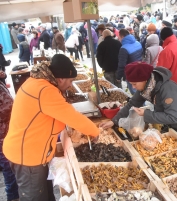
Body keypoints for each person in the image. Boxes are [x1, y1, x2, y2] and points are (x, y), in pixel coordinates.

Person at [3, 54, 101, 201]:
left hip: (33, 153)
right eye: (70, 80)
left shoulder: (39, 81)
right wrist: (95, 132)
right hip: (28, 158)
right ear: (60, 78)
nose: (70, 85)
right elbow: (71, 116)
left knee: (46, 195)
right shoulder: (45, 90)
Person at [100, 62, 177, 147]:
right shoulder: (146, 88)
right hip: (175, 123)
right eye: (132, 84)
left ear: (145, 80)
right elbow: (132, 104)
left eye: (134, 84)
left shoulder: (167, 89)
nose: (133, 87)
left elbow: (172, 117)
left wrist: (146, 114)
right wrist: (114, 121)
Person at [0, 73, 19, 201]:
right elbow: (7, 107)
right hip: (3, 135)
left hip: (7, 132)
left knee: (10, 169)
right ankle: (13, 197)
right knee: (9, 169)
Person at [116, 29, 143, 95]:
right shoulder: (138, 43)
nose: (118, 38)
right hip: (140, 70)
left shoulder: (124, 48)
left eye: (118, 37)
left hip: (131, 73)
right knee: (140, 91)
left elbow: (122, 65)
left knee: (134, 92)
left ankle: (140, 105)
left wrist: (118, 77)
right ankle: (143, 104)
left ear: (122, 36)